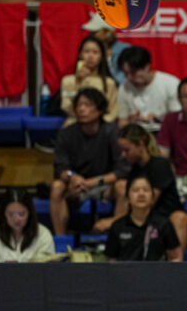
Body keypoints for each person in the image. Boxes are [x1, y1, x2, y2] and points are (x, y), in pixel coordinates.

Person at [50, 88, 129, 236]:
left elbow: (122, 169)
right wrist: (72, 176)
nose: (81, 109)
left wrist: (95, 181)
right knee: (57, 187)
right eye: (79, 105)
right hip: (77, 185)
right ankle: (60, 239)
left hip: (105, 185)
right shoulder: (66, 133)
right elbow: (61, 168)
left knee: (123, 186)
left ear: (100, 109)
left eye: (87, 105)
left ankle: (119, 237)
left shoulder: (112, 132)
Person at [112, 124, 187, 250]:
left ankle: (176, 261)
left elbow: (147, 203)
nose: (123, 154)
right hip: (144, 221)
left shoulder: (160, 165)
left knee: (179, 217)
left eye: (127, 150)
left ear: (140, 145)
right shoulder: (134, 170)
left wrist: (113, 221)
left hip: (165, 221)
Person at [105, 175, 183, 262]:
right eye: (136, 190)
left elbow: (176, 257)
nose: (141, 194)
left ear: (152, 197)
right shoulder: (117, 226)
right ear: (128, 197)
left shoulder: (163, 224)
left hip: (156, 270)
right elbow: (112, 261)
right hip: (126, 271)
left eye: (146, 190)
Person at [0, 188, 55, 262]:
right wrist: (5, 265)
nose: (16, 219)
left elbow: (47, 266)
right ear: (4, 213)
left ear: (29, 212)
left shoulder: (43, 234)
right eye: (11, 214)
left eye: (21, 214)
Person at [117, 46, 181, 132]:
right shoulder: (124, 88)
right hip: (136, 134)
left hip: (164, 131)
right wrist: (130, 122)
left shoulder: (171, 84)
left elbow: (179, 120)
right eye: (125, 73)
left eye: (133, 72)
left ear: (147, 67)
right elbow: (122, 122)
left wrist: (160, 119)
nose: (129, 78)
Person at [60, 36, 118, 126]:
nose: (90, 56)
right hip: (75, 125)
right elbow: (67, 107)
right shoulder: (68, 80)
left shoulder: (109, 82)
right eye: (86, 52)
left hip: (101, 126)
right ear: (80, 55)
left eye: (95, 52)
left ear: (101, 56)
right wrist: (78, 82)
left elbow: (113, 112)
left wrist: (98, 124)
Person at [82, 13, 131, 84]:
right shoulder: (87, 49)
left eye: (94, 32)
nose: (90, 35)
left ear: (108, 33)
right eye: (90, 32)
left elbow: (125, 80)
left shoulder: (124, 50)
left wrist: (108, 60)